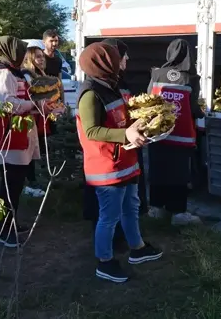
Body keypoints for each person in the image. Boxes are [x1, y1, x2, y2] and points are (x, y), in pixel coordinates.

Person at [76, 42, 162, 283]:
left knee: (131, 208)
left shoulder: (113, 86)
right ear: (104, 63)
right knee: (109, 216)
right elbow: (92, 131)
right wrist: (125, 135)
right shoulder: (91, 93)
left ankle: (137, 248)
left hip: (126, 160)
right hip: (106, 167)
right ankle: (104, 262)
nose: (122, 61)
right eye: (116, 58)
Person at [0, 36, 43, 248]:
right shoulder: (3, 73)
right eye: (20, 51)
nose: (23, 55)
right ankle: (3, 231)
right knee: (10, 184)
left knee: (13, 183)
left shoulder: (11, 71)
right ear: (9, 51)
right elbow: (6, 105)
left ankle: (8, 224)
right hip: (8, 135)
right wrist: (33, 105)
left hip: (17, 132)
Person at [147, 39, 204, 226]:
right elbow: (194, 107)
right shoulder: (191, 78)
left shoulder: (156, 74)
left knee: (158, 170)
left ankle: (156, 208)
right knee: (178, 174)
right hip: (181, 137)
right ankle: (178, 212)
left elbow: (148, 101)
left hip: (158, 134)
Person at [101, 38, 148, 215]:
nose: (126, 58)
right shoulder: (103, 87)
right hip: (113, 154)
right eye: (123, 55)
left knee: (130, 202)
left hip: (129, 148)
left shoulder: (122, 82)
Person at [21, 45, 51, 198]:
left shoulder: (40, 73)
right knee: (30, 149)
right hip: (32, 116)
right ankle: (30, 182)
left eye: (43, 56)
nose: (42, 59)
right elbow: (32, 95)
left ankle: (38, 178)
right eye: (38, 56)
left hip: (42, 115)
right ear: (30, 58)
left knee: (38, 147)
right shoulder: (27, 74)